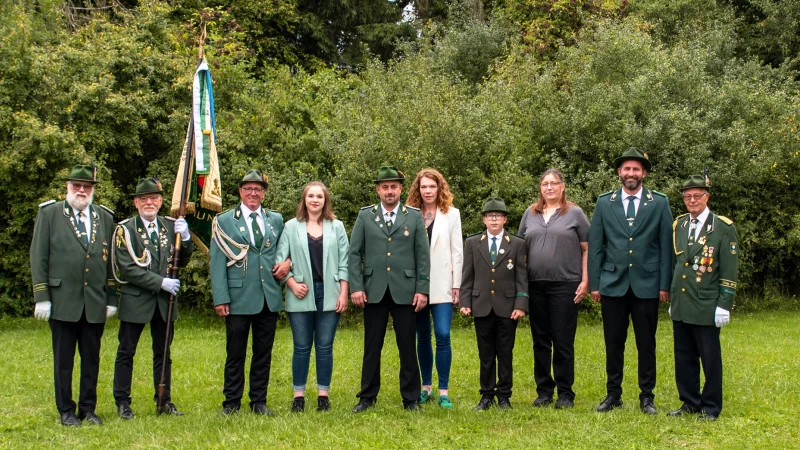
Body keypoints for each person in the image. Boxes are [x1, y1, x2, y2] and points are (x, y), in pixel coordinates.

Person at [30, 163, 118, 426]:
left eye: (87, 187)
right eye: (76, 186)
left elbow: (111, 260)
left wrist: (111, 297)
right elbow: (38, 256)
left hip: (94, 302)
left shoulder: (104, 216)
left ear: (92, 190)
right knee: (63, 360)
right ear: (67, 187)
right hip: (62, 300)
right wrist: (41, 296)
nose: (81, 191)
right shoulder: (50, 214)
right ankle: (66, 410)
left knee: (91, 359)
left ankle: (88, 409)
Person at [588, 147, 674, 415]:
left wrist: (664, 285)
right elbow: (596, 245)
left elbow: (665, 246)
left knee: (646, 343)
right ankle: (613, 394)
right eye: (627, 169)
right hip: (612, 283)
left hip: (647, 284)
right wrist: (594, 283)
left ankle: (646, 397)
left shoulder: (659, 202)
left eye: (636, 169)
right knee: (613, 342)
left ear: (644, 173)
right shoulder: (605, 202)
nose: (631, 173)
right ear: (619, 173)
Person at [349, 166, 430, 412]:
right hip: (373, 290)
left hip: (405, 290)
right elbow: (354, 254)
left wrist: (422, 289)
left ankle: (411, 398)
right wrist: (356, 286)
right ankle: (367, 397)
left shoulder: (414, 216)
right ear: (378, 190)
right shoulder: (365, 216)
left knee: (407, 346)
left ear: (401, 189)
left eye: (394, 187)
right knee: (372, 346)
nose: (389, 191)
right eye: (385, 187)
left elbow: (422, 256)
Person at [112, 177, 193, 419]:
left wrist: (186, 238)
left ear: (160, 201)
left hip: (164, 303)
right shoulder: (124, 229)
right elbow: (127, 268)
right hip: (136, 299)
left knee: (163, 353)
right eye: (144, 199)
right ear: (136, 202)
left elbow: (181, 261)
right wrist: (161, 283)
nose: (149, 202)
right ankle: (123, 402)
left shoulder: (170, 226)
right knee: (126, 352)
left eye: (154, 198)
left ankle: (164, 400)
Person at [210, 169, 285, 416]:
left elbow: (285, 250)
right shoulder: (224, 221)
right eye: (248, 189)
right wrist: (220, 297)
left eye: (258, 189)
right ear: (240, 192)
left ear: (264, 193)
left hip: (268, 296)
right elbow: (217, 261)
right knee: (235, 354)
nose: (253, 193)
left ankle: (258, 402)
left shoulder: (275, 219)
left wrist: (289, 263)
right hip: (238, 297)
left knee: (263, 353)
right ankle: (231, 403)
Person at [667, 174, 738, 421]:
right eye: (687, 197)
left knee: (709, 358)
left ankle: (710, 406)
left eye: (697, 196)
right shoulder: (680, 225)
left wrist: (724, 305)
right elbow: (677, 264)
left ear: (706, 197)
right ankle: (690, 402)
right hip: (682, 303)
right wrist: (673, 296)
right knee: (684, 357)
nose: (692, 200)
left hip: (707, 304)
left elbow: (729, 270)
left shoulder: (723, 227)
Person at [518, 169, 590, 409]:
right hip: (535, 285)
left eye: (553, 183)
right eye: (544, 184)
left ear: (562, 186)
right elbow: (518, 251)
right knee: (540, 340)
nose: (549, 188)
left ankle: (566, 393)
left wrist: (586, 280)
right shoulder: (530, 213)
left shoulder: (575, 213)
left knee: (562, 340)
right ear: (540, 188)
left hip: (566, 284)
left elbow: (587, 249)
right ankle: (544, 392)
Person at [275, 181, 349, 413]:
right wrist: (292, 284)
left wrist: (344, 293)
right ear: (304, 200)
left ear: (325, 200)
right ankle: (298, 396)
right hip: (300, 293)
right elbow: (279, 261)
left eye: (319, 196)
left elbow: (345, 263)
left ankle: (323, 396)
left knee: (325, 347)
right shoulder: (290, 227)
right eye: (311, 196)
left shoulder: (336, 227)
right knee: (301, 346)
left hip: (329, 293)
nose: (315, 200)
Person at [460, 197, 528, 411]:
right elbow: (467, 275)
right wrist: (465, 300)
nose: (494, 220)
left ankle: (504, 396)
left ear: (505, 219)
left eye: (498, 216)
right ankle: (486, 395)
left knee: (505, 352)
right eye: (490, 216)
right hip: (481, 305)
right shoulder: (472, 243)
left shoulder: (517, 244)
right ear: (484, 220)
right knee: (486, 353)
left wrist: (521, 304)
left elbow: (522, 277)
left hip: (508, 307)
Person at [406, 169, 463, 409]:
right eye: (423, 187)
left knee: (442, 334)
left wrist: (456, 283)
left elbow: (457, 251)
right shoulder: (409, 214)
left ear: (440, 188)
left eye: (432, 186)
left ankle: (444, 391)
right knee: (422, 337)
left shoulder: (451, 214)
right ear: (417, 189)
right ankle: (426, 386)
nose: (428, 191)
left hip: (442, 285)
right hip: (416, 286)